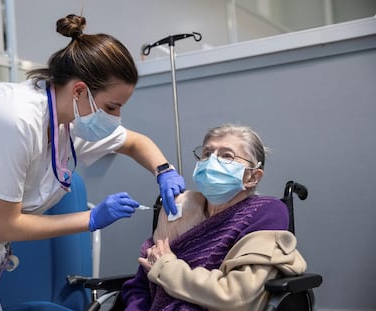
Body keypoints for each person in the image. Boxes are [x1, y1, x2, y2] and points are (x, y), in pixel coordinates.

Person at [0, 14, 185, 310]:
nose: (115, 117)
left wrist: (164, 171)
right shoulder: (14, 117)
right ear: (80, 90)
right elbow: (6, 225)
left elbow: (133, 142)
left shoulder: (68, 122)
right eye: (111, 106)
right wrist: (91, 219)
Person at [121, 124, 307, 311]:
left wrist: (167, 268)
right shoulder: (180, 209)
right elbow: (142, 282)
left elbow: (236, 296)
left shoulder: (266, 213)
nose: (212, 162)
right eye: (207, 154)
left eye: (227, 156)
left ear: (252, 177)